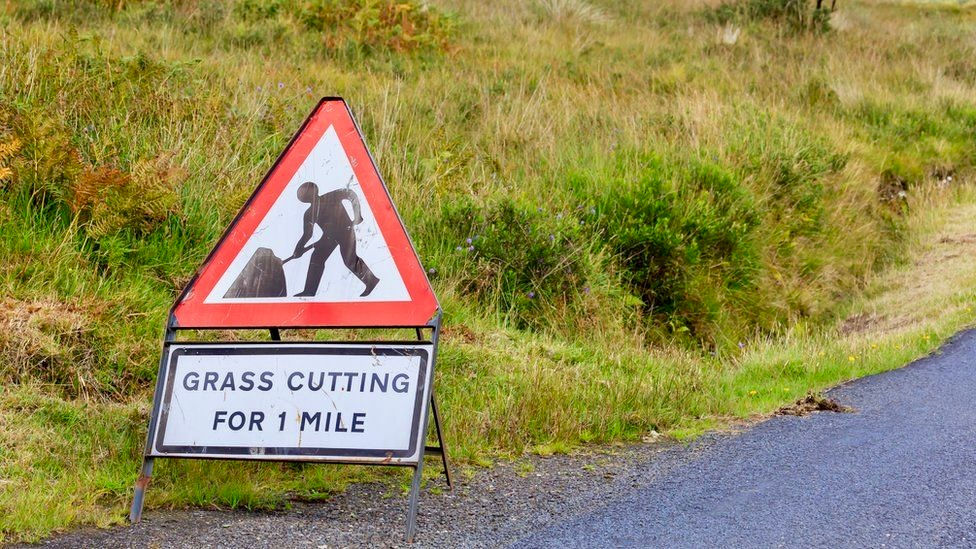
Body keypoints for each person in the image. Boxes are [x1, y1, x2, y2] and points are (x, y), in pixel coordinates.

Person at [289, 181, 380, 297]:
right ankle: (309, 291)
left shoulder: (331, 196)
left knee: (349, 259)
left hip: (345, 230)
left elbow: (351, 194)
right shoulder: (308, 213)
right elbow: (307, 234)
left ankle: (371, 281)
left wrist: (357, 215)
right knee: (316, 258)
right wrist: (299, 248)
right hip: (329, 237)